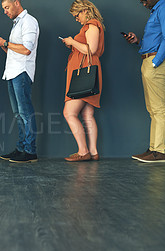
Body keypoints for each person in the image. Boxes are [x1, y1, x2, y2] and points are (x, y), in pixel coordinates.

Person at [125, 0, 165, 163]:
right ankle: (154, 149)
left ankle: (161, 151)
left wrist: (155, 62)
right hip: (149, 60)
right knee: (153, 109)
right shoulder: (156, 10)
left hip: (156, 63)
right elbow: (157, 40)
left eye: (144, 0)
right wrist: (138, 42)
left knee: (159, 109)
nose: (143, 3)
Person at [0, 0, 39, 163]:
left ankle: (30, 151)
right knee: (18, 114)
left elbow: (26, 49)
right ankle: (21, 148)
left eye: (7, 7)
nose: (5, 11)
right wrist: (2, 45)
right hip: (11, 72)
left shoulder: (29, 21)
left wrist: (5, 42)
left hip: (21, 72)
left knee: (25, 113)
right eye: (3, 8)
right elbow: (15, 50)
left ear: (17, 3)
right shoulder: (17, 23)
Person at [61, 0, 105, 162]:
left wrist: (72, 41)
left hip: (84, 74)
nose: (76, 18)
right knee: (87, 114)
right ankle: (93, 152)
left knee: (69, 113)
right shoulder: (91, 26)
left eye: (77, 14)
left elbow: (91, 50)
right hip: (87, 72)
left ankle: (83, 151)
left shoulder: (92, 25)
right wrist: (73, 45)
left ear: (85, 10)